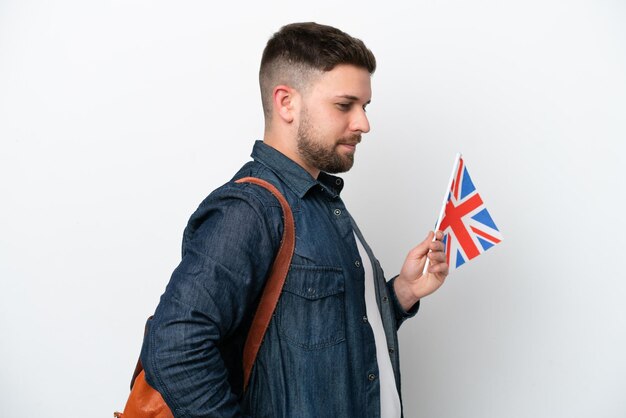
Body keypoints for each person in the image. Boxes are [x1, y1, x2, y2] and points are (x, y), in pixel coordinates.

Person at [140, 22, 449, 418]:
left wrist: (402, 292)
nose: (363, 123)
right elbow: (175, 346)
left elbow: (330, 338)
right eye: (345, 105)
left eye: (365, 107)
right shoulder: (250, 209)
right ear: (286, 103)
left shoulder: (323, 202)